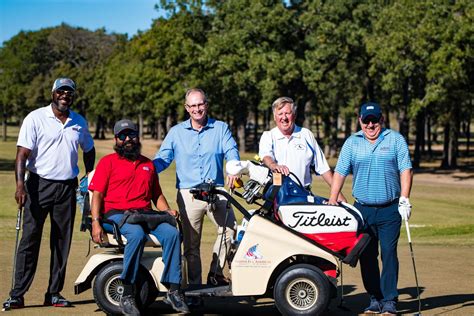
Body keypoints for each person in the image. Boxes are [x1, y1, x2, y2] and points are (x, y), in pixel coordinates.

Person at [3, 78, 96, 310]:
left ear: (73, 96)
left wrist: (88, 176)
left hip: (66, 188)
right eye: (61, 91)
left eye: (69, 92)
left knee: (61, 242)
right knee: (29, 240)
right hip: (38, 185)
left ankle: (53, 293)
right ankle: (17, 294)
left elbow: (89, 149)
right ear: (53, 93)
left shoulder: (79, 121)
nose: (65, 95)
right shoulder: (35, 118)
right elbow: (22, 155)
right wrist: (20, 186)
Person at [89, 119, 189, 315]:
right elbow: (98, 195)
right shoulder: (107, 162)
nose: (128, 139)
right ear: (116, 139)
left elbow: (156, 195)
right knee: (136, 234)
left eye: (132, 135)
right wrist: (95, 223)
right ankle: (127, 293)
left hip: (144, 214)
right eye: (123, 136)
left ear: (138, 137)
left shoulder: (148, 165)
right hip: (115, 215)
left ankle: (174, 290)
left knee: (172, 234)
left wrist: (167, 210)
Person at [328, 102, 413, 315]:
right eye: (366, 121)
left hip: (389, 209)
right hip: (362, 210)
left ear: (381, 120)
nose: (370, 124)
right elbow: (340, 172)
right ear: (360, 121)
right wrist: (332, 199)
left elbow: (406, 170)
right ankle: (375, 298)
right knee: (366, 256)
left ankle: (390, 300)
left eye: (374, 120)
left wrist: (404, 198)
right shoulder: (352, 142)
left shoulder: (395, 140)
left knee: (389, 253)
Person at [153, 88, 240, 295]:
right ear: (186, 108)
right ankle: (194, 287)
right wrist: (142, 170)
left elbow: (231, 151)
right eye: (192, 106)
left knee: (230, 229)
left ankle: (215, 273)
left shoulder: (221, 128)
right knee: (192, 244)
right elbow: (163, 159)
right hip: (188, 194)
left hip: (217, 190)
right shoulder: (176, 132)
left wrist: (234, 168)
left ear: (206, 105)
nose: (197, 109)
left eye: (200, 104)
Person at [259, 96, 345, 201]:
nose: (284, 117)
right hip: (277, 196)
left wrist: (339, 196)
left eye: (287, 113)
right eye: (280, 114)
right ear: (274, 117)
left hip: (303, 196)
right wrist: (274, 165)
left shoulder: (306, 135)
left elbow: (323, 168)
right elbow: (266, 156)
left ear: (294, 115)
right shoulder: (268, 136)